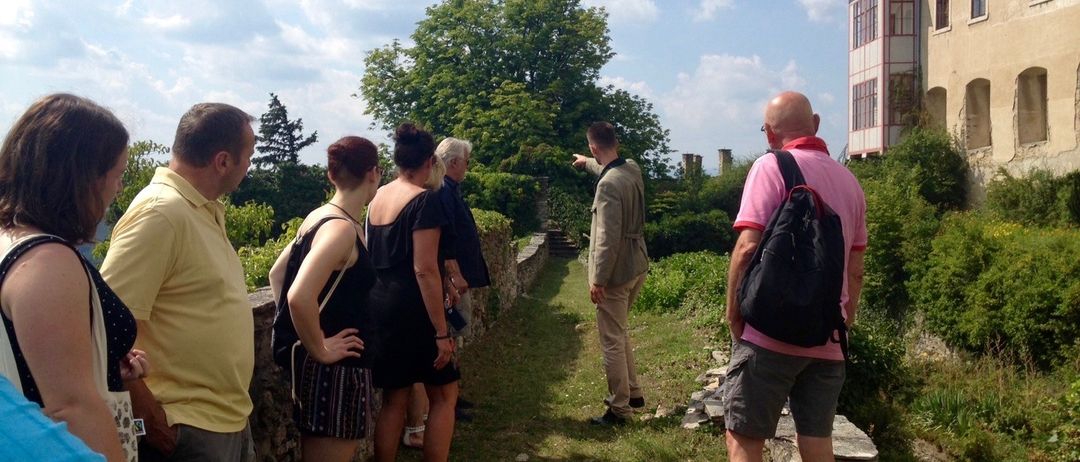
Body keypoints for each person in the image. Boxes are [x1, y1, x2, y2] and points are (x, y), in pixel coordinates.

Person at [101, 103, 257, 462]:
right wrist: (153, 423)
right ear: (222, 161)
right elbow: (105, 326)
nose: (249, 167)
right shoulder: (161, 213)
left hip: (224, 421)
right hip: (185, 427)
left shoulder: (199, 208)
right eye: (247, 157)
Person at [0, 93, 148, 462]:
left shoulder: (10, 239)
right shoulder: (47, 261)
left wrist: (103, 357)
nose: (118, 188)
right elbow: (72, 407)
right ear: (83, 179)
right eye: (117, 174)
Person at [723, 91, 867, 462]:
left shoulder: (770, 167)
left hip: (771, 334)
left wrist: (734, 312)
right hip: (827, 338)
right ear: (816, 124)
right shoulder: (851, 183)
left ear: (770, 134)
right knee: (818, 443)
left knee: (743, 438)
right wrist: (844, 321)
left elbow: (746, 249)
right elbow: (856, 269)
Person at [268, 136, 382, 461]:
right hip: (336, 374)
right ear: (374, 172)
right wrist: (320, 345)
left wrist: (307, 335)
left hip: (326, 373)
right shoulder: (342, 230)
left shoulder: (318, 217)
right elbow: (298, 294)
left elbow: (278, 273)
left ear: (332, 175)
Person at [368, 123, 459, 462]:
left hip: (380, 304)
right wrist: (440, 332)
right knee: (445, 395)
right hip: (414, 308)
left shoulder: (377, 197)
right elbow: (424, 269)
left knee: (395, 397)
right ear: (429, 162)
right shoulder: (424, 202)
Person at [571, 121, 649, 426]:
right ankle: (633, 392)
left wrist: (597, 280)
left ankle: (619, 409)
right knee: (621, 330)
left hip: (615, 273)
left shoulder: (607, 186)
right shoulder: (632, 168)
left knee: (612, 340)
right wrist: (586, 162)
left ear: (593, 146)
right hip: (637, 265)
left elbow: (606, 238)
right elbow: (607, 166)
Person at [435, 137, 489, 418]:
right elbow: (445, 241)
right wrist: (452, 276)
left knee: (454, 336)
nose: (468, 167)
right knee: (450, 336)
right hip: (454, 282)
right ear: (454, 162)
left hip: (458, 279)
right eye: (467, 162)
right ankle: (447, 401)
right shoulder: (444, 191)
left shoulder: (449, 190)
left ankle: (452, 396)